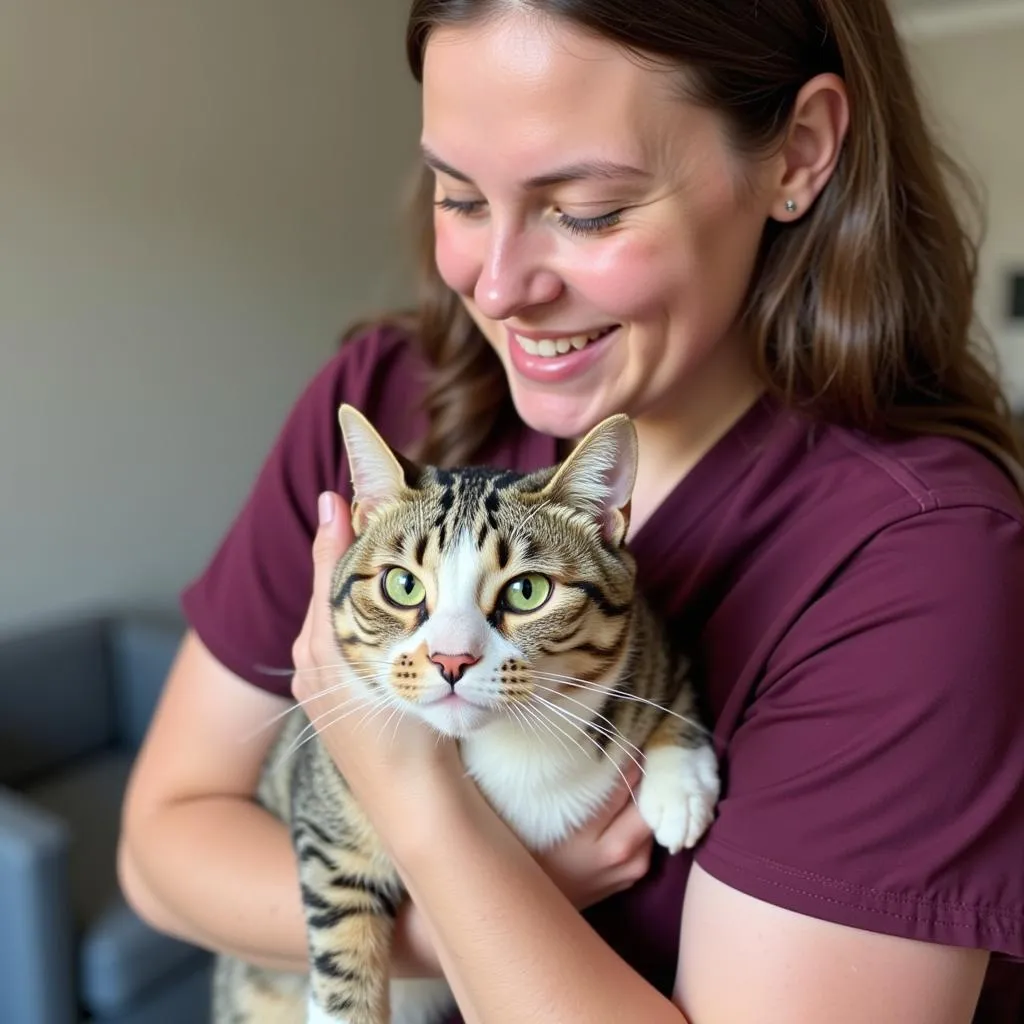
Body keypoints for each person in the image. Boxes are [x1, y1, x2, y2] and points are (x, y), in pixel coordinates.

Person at [117, 1, 1024, 1021]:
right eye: (456, 196)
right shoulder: (385, 396)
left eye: (586, 209)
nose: (497, 288)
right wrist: (505, 893)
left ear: (796, 154)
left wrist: (422, 811)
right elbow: (161, 848)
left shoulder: (917, 560)